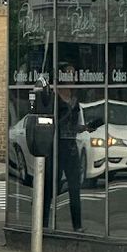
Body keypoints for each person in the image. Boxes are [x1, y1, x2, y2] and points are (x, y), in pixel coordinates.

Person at [43, 68, 83, 232]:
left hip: (71, 145)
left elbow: (74, 124)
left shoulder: (75, 99)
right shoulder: (53, 99)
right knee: (51, 186)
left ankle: (77, 225)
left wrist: (84, 127)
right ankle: (44, 223)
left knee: (74, 187)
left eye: (73, 74)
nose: (72, 79)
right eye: (69, 74)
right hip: (56, 146)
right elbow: (53, 123)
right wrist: (68, 110)